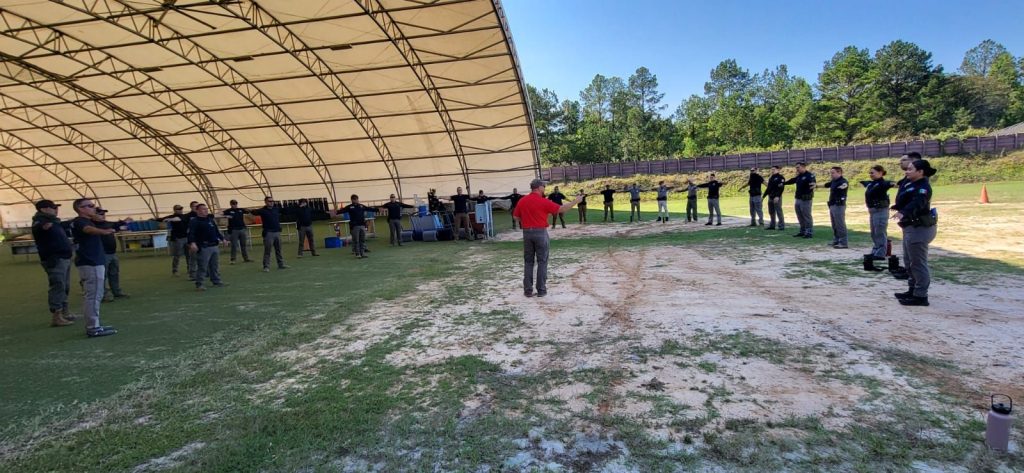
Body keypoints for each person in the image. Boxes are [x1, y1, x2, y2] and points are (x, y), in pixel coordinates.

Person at [512, 179, 583, 297]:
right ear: (539, 187)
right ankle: (541, 290)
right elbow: (561, 209)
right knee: (542, 261)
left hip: (527, 233)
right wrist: (576, 201)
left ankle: (528, 290)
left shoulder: (522, 200)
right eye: (544, 186)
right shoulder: (543, 201)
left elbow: (515, 217)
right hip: (540, 232)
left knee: (528, 262)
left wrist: (526, 220)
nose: (544, 188)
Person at [892, 159, 938, 306]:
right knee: (909, 262)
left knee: (918, 263)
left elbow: (917, 203)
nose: (907, 171)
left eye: (910, 169)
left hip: (919, 229)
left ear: (920, 172)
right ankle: (912, 290)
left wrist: (903, 212)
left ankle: (920, 296)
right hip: (910, 227)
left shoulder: (923, 187)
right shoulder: (910, 183)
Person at [69, 198, 117, 338]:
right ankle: (93, 327)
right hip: (91, 262)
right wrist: (104, 231)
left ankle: (95, 325)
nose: (93, 208)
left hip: (90, 261)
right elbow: (88, 230)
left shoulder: (85, 221)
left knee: (95, 294)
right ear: (80, 208)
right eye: (89, 206)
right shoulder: (81, 221)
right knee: (93, 295)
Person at [31, 199, 75, 327]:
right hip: (54, 259)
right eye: (53, 207)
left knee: (64, 286)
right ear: (44, 209)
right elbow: (39, 228)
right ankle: (57, 316)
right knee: (58, 286)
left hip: (63, 257)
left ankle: (65, 312)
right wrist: (44, 227)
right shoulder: (40, 221)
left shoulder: (54, 221)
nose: (56, 210)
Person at [94, 209, 132, 302]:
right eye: (100, 214)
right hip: (102, 253)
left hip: (112, 253)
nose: (103, 215)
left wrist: (125, 221)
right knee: (102, 275)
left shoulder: (107, 223)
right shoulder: (92, 225)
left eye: (103, 214)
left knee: (114, 273)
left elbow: (116, 224)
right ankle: (103, 294)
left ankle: (116, 291)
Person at [188, 203, 227, 291]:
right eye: (203, 209)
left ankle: (216, 281)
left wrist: (223, 239)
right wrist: (192, 243)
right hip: (204, 246)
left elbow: (216, 232)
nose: (205, 210)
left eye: (206, 209)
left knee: (214, 266)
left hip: (214, 245)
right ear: (197, 211)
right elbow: (191, 233)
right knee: (202, 266)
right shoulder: (194, 221)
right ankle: (199, 284)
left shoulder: (210, 220)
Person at [862, 165, 896, 260]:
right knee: (874, 232)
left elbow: (890, 183)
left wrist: (894, 184)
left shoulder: (882, 183)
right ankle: (876, 250)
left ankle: (881, 253)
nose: (871, 174)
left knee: (880, 232)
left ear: (880, 173)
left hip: (880, 210)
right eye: (870, 173)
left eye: (873, 173)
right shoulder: (872, 184)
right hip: (873, 211)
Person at [252, 196, 288, 272]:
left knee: (279, 249)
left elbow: (286, 210)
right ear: (265, 202)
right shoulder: (262, 210)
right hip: (268, 233)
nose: (271, 202)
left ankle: (281, 264)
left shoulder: (276, 209)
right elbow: (254, 212)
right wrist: (248, 210)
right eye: (269, 201)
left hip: (277, 232)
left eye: (272, 201)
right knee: (268, 250)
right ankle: (266, 266)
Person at [784, 162, 816, 238]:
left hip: (805, 199)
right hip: (798, 198)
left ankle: (809, 232)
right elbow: (793, 180)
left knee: (806, 216)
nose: (797, 169)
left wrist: (811, 189)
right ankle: (802, 231)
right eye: (796, 167)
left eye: (798, 167)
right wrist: (784, 183)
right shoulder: (799, 176)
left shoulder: (809, 175)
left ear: (803, 167)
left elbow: (813, 184)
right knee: (800, 216)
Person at [158, 205, 191, 277]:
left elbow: (178, 219)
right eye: (178, 209)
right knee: (177, 255)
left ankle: (190, 269)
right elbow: (162, 219)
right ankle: (175, 270)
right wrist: (155, 219)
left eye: (181, 209)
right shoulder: (172, 216)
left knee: (188, 255)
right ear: (175, 210)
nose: (180, 210)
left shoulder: (185, 216)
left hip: (187, 237)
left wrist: (170, 219)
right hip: (178, 238)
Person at [823, 166, 849, 249]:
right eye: (831, 173)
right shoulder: (834, 181)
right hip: (832, 204)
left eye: (833, 173)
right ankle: (836, 240)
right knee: (834, 224)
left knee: (840, 224)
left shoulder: (843, 181)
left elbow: (845, 185)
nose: (831, 174)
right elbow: (827, 185)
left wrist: (843, 186)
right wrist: (816, 186)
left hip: (839, 205)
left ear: (839, 172)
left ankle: (843, 242)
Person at [222, 199, 252, 264]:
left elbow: (249, 211)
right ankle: (233, 259)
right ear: (231, 204)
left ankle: (246, 258)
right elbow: (221, 214)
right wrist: (226, 216)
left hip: (242, 229)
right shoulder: (228, 211)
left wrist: (249, 210)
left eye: (235, 203)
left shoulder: (240, 210)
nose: (234, 205)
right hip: (234, 230)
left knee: (243, 245)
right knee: (234, 245)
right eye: (233, 204)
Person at [763, 166, 786, 231]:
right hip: (770, 196)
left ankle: (781, 225)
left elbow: (781, 188)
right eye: (772, 170)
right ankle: (772, 225)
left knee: (779, 211)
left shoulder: (780, 177)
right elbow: (768, 188)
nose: (772, 171)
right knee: (771, 212)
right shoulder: (771, 178)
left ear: (778, 170)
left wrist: (778, 196)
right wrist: (764, 196)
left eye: (774, 169)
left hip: (776, 197)